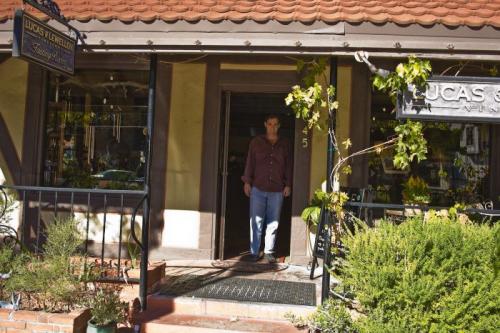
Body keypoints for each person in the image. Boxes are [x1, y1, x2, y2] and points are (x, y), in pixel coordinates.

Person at [241, 114, 292, 263]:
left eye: (275, 124)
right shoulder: (256, 142)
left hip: (277, 189)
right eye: (270, 124)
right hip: (258, 187)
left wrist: (288, 184)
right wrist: (247, 182)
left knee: (273, 222)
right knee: (255, 221)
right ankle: (254, 252)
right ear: (265, 124)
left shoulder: (285, 143)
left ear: (279, 126)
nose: (272, 127)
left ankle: (269, 251)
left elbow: (288, 165)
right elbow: (250, 162)